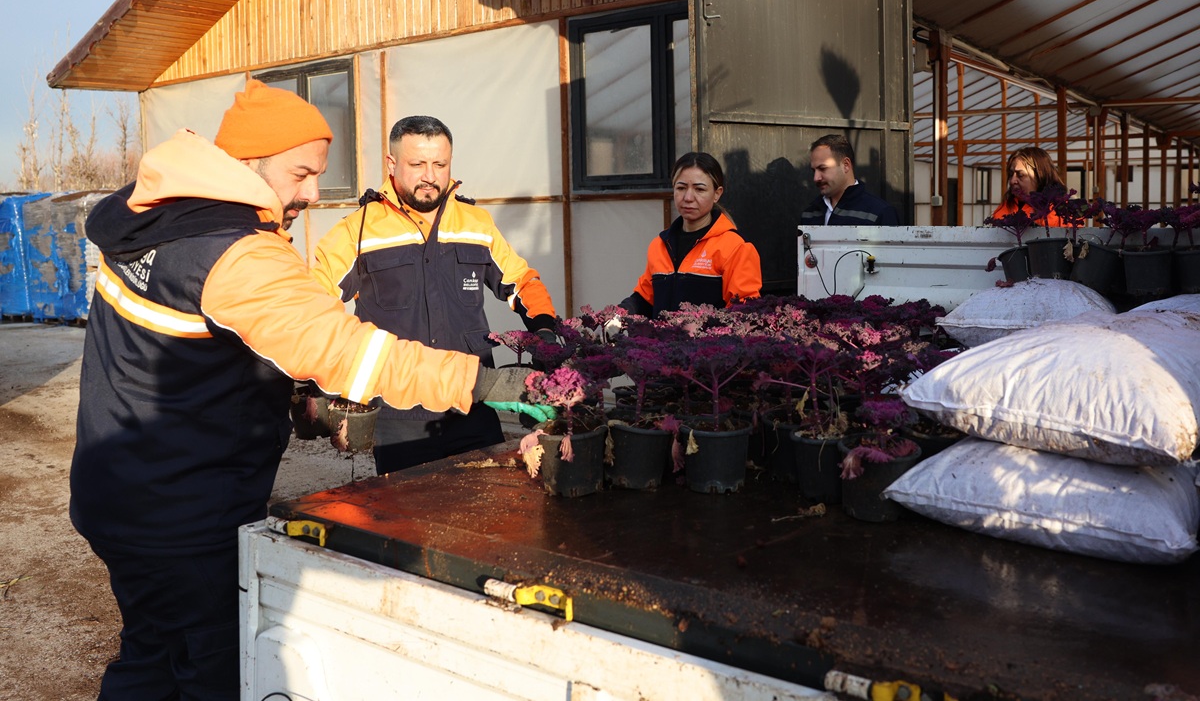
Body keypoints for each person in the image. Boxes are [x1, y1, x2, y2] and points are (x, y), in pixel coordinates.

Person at [70, 80, 532, 701]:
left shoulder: (157, 220)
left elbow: (201, 351)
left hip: (118, 493)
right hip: (183, 514)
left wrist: (294, 403)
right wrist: (490, 382)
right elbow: (347, 351)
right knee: (211, 670)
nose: (313, 194)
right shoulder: (233, 252)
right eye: (302, 174)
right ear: (250, 162)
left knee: (150, 653)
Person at [312, 115, 559, 475]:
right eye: (417, 164)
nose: (430, 175)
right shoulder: (358, 231)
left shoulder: (476, 223)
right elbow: (314, 302)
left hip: (473, 403)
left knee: (487, 501)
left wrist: (545, 330)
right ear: (392, 164)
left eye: (440, 164)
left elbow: (521, 281)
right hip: (400, 413)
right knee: (407, 506)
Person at [619, 151, 762, 317]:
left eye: (699, 189)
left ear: (717, 194)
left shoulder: (736, 248)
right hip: (661, 335)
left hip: (711, 335)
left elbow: (745, 310)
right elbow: (645, 298)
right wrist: (618, 314)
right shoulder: (660, 245)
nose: (688, 197)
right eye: (681, 188)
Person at [800, 134, 900, 226]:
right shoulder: (809, 214)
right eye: (814, 170)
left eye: (823, 168)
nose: (816, 178)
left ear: (846, 165)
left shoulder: (880, 212)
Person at [990, 145, 1067, 226]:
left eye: (1020, 175)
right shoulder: (1004, 209)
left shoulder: (1062, 211)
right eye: (1011, 174)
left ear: (1040, 176)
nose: (1012, 181)